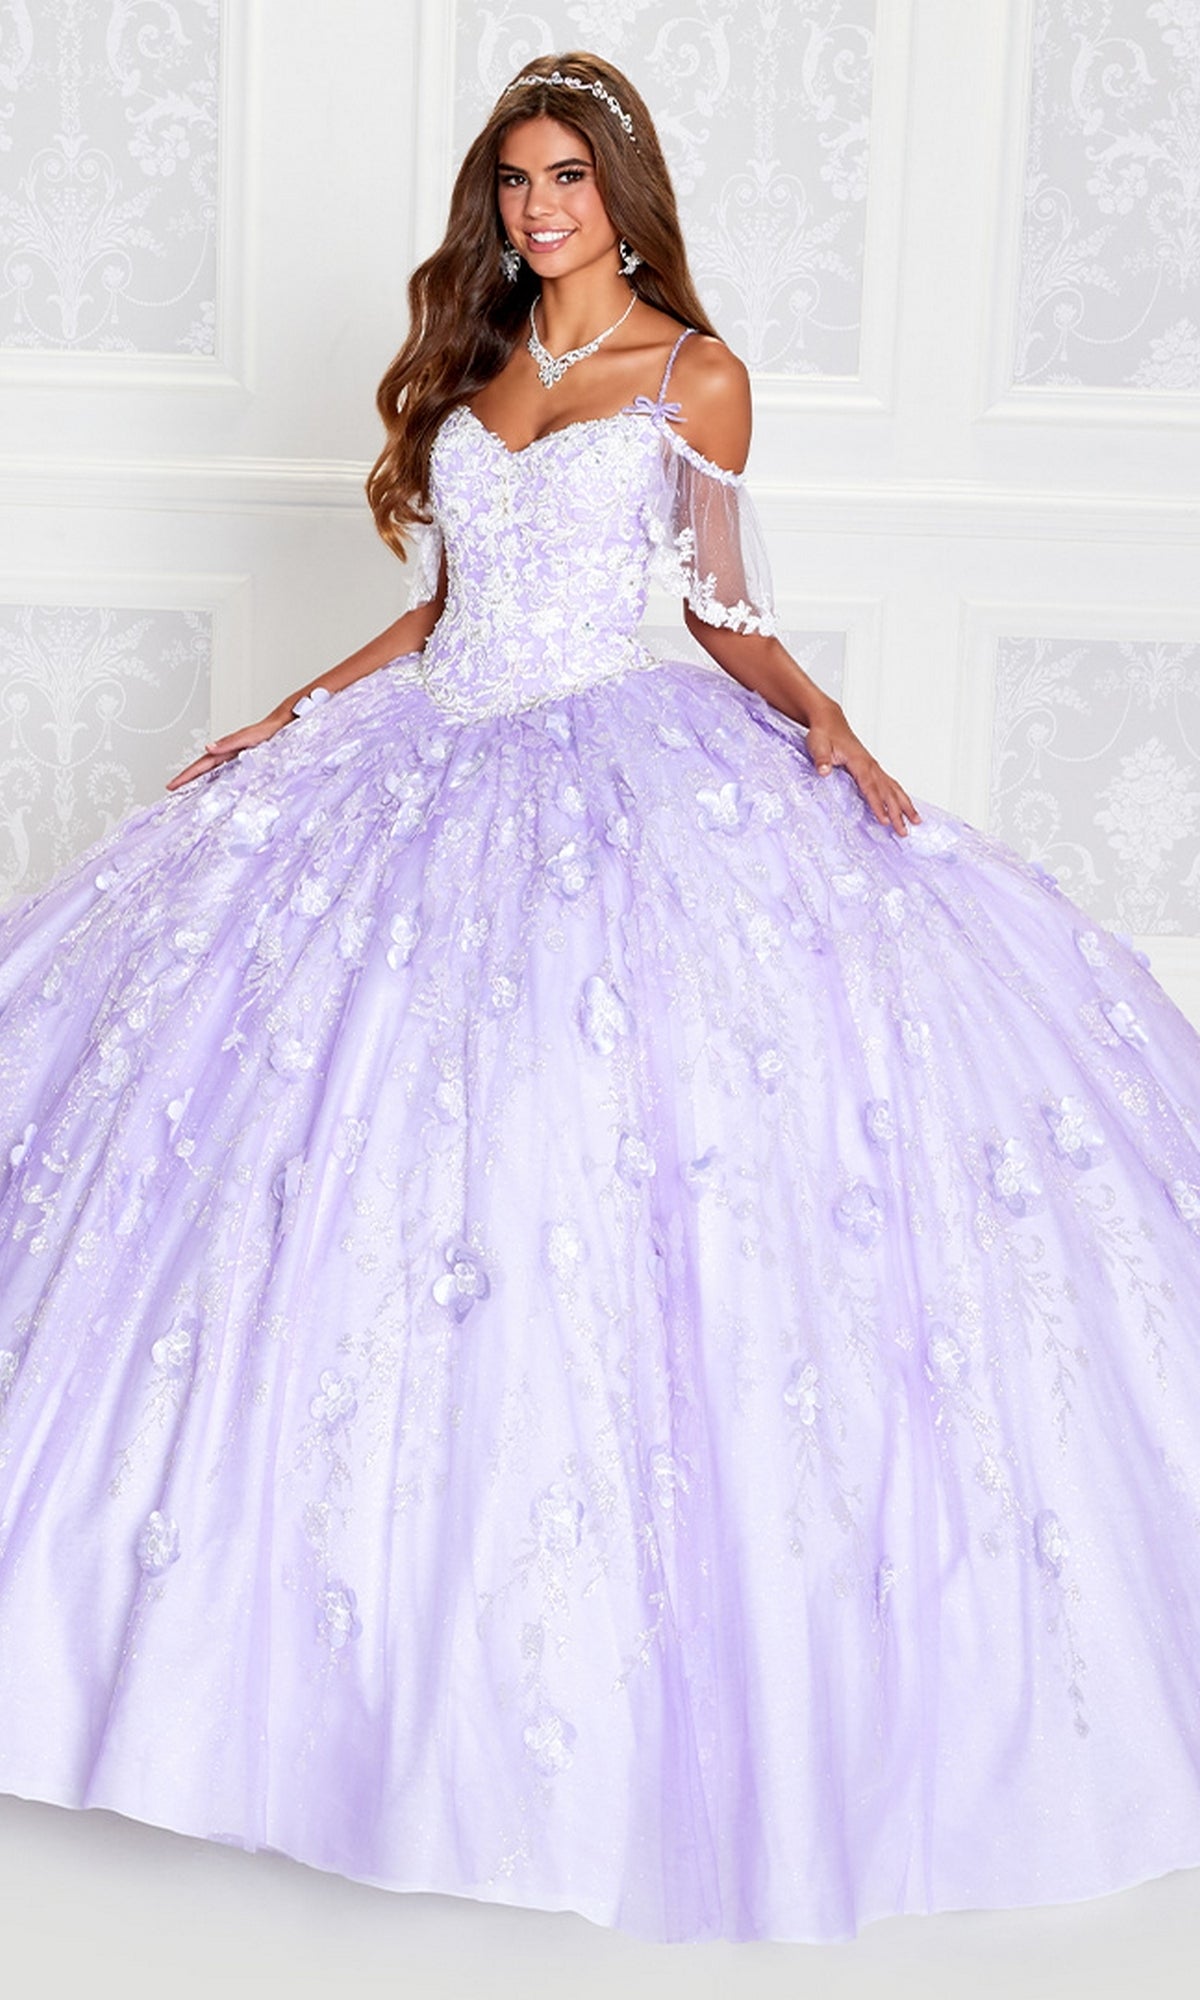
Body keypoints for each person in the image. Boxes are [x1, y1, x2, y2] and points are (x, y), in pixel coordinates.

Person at [1, 50, 1200, 1950]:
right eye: (515, 180)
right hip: (432, 742)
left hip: (613, 759)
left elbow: (718, 609)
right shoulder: (478, 363)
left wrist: (826, 722)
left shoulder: (689, 372)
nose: (540, 209)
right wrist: (288, 712)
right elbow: (448, 607)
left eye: (569, 179)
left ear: (627, 198)